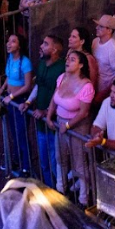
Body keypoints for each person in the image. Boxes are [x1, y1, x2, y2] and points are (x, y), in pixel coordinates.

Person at [47, 49, 95, 204]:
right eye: (68, 58)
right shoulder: (62, 78)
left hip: (78, 127)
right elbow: (54, 99)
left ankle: (84, 196)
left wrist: (68, 125)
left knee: (79, 161)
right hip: (61, 123)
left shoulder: (86, 86)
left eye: (73, 59)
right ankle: (61, 186)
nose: (67, 61)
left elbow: (84, 112)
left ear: (81, 65)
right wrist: (49, 116)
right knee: (60, 156)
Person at [22, 34, 65, 187]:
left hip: (54, 124)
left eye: (45, 44)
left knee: (56, 162)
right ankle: (49, 190)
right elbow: (38, 86)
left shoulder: (62, 69)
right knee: (44, 162)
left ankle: (62, 195)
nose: (41, 46)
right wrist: (28, 102)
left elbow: (60, 94)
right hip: (41, 123)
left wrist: (47, 111)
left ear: (54, 49)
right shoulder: (41, 64)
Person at [1, 34, 35, 176]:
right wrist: (2, 89)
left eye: (13, 41)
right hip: (10, 101)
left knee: (21, 134)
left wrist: (12, 96)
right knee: (14, 133)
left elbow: (27, 86)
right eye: (8, 41)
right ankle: (16, 159)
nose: (9, 44)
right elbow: (8, 77)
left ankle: (26, 166)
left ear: (20, 45)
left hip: (19, 100)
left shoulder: (25, 62)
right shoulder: (10, 59)